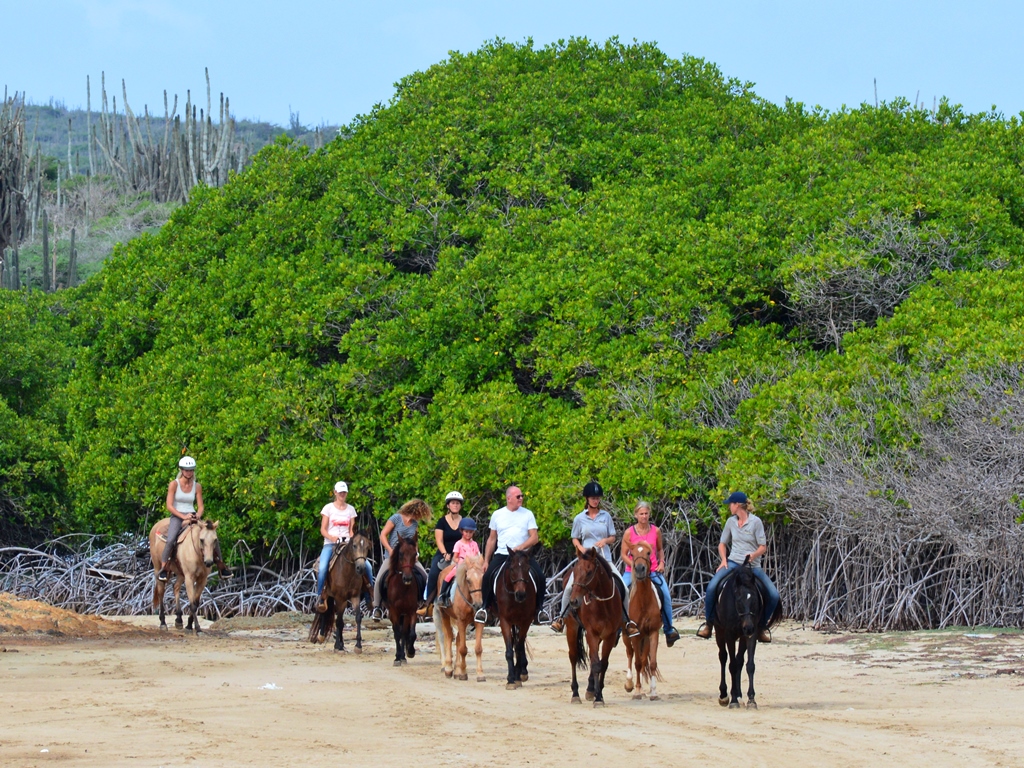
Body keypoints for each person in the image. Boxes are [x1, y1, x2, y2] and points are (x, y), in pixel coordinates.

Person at [697, 491, 780, 643]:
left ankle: (761, 627)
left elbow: (763, 547)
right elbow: (722, 543)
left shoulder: (756, 522)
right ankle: (708, 624)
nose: (729, 507)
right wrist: (723, 560)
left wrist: (753, 556)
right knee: (711, 588)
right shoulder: (730, 522)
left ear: (737, 505)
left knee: (774, 596)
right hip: (733, 562)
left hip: (752, 566)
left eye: (730, 504)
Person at [549, 481, 625, 633]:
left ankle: (627, 621)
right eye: (592, 498)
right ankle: (561, 618)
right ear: (587, 499)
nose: (595, 500)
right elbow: (575, 538)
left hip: (604, 558)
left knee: (624, 588)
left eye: (597, 498)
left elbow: (613, 537)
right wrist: (580, 547)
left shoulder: (606, 516)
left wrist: (605, 541)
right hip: (585, 560)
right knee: (570, 588)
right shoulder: (579, 518)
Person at [158, 456, 231, 582]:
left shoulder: (197, 486)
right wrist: (183, 516)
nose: (189, 472)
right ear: (181, 470)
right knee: (170, 540)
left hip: (192, 515)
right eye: (187, 470)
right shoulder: (174, 484)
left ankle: (221, 565)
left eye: (191, 470)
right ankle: (164, 568)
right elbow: (169, 506)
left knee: (212, 536)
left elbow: (201, 506)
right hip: (177, 516)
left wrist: (197, 515)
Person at [481, 486, 547, 624]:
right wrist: (486, 560)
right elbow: (492, 539)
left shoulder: (527, 514)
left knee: (540, 576)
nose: (521, 498)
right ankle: (485, 608)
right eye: (518, 496)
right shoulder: (497, 514)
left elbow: (534, 537)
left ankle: (540, 609)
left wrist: (521, 547)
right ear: (509, 498)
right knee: (487, 577)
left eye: (522, 496)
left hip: (522, 555)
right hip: (502, 554)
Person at [620, 500, 680, 647]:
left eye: (646, 513)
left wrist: (661, 563)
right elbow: (624, 554)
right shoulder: (629, 533)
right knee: (620, 592)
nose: (644, 516)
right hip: (632, 572)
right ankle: (618, 628)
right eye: (641, 514)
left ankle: (668, 629)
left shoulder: (656, 531)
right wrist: (634, 566)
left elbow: (660, 550)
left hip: (652, 570)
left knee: (665, 594)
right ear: (636, 515)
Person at [315, 482, 373, 612]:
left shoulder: (351, 509)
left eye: (344, 492)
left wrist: (354, 540)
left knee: (367, 566)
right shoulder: (328, 508)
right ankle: (321, 596)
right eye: (340, 492)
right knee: (323, 567)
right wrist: (332, 538)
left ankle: (370, 596)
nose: (342, 495)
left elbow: (352, 530)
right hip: (330, 544)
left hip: (348, 544)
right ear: (335, 493)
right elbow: (323, 529)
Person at [371, 498, 432, 620]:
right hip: (393, 557)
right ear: (415, 510)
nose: (420, 516)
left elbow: (414, 541)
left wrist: (416, 553)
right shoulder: (396, 518)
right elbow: (383, 535)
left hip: (408, 558)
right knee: (379, 580)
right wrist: (390, 550)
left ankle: (425, 605)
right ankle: (376, 607)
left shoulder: (414, 524)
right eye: (420, 513)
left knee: (425, 576)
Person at [424, 491, 465, 609]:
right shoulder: (442, 521)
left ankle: (480, 605)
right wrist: (444, 553)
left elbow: (468, 538)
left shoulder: (465, 522)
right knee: (433, 573)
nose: (455, 505)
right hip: (445, 554)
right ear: (448, 505)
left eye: (457, 503)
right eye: (453, 503)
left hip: (461, 554)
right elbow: (439, 540)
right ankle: (428, 605)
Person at [436, 518, 481, 607]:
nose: (468, 534)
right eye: (466, 532)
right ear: (461, 531)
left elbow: (477, 556)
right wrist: (461, 562)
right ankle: (442, 595)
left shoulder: (474, 544)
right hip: (461, 566)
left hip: (472, 568)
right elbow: (455, 557)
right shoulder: (458, 544)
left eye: (471, 532)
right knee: (449, 575)